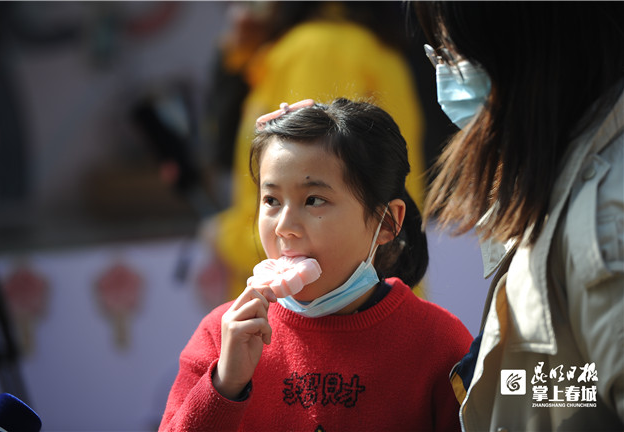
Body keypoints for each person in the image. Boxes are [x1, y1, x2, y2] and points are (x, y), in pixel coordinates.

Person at [159, 98, 473, 431]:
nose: (284, 227)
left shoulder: (438, 342)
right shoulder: (221, 335)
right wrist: (225, 385)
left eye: (314, 200)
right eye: (271, 200)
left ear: (385, 222)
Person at [412, 2, 624, 430]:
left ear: (524, 47)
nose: (443, 72)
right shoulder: (551, 174)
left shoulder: (604, 221)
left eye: (451, 51)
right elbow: (574, 386)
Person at [201, 2, 427, 302]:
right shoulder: (360, 44)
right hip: (361, 300)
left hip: (330, 307)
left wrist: (227, 239)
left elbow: (312, 200)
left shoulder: (317, 50)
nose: (239, 10)